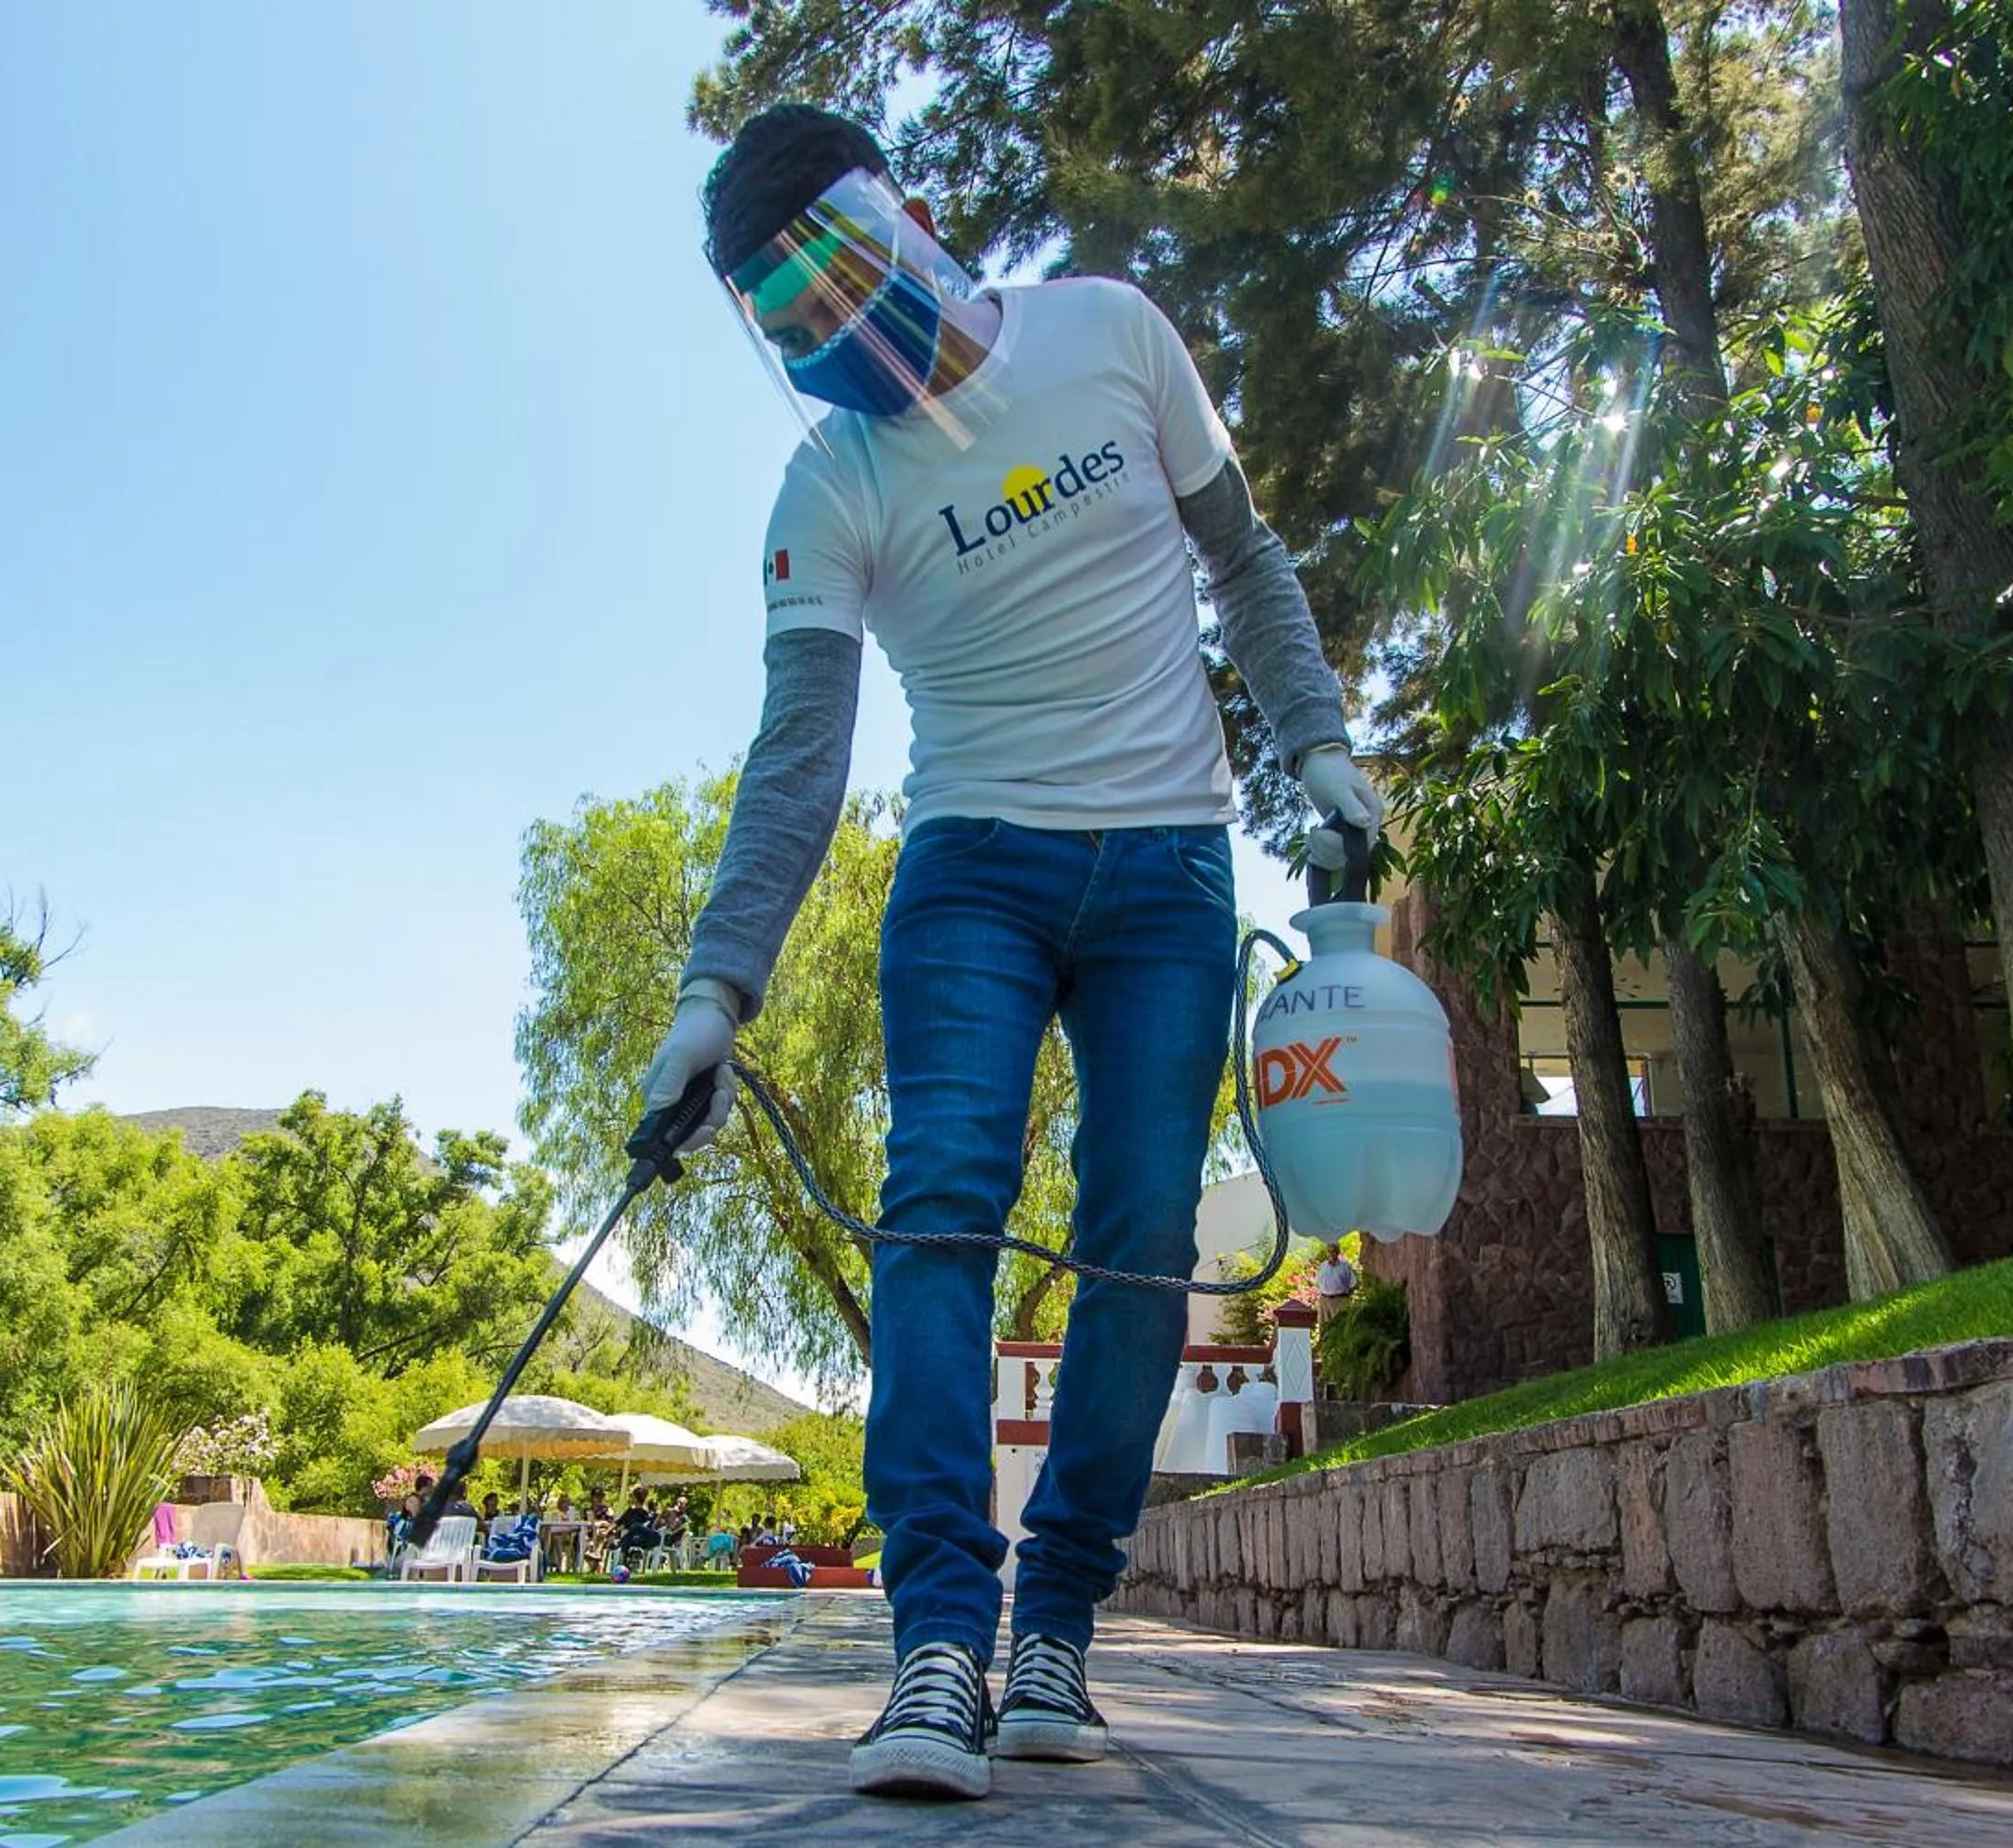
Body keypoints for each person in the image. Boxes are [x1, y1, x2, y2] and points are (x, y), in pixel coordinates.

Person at [643, 106, 1377, 1800]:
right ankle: (929, 1649)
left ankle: (1056, 1627)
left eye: (835, 280)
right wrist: (713, 992)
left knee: (1134, 1239)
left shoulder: (1109, 331)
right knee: (941, 1205)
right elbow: (798, 758)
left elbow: (1246, 558)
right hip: (971, 876)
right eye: (785, 323)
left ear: (901, 209)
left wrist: (1319, 742)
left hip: (1172, 878)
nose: (829, 336)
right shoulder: (830, 483)